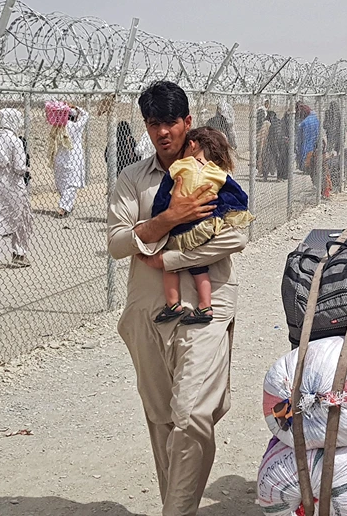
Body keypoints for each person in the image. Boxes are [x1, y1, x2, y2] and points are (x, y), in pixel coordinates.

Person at [107, 80, 249, 516]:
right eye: (154, 124)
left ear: (187, 122)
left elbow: (236, 233)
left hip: (206, 310)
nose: (162, 132)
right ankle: (179, 506)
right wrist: (169, 217)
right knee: (163, 418)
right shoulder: (133, 179)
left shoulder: (210, 169)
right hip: (150, 312)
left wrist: (166, 256)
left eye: (170, 122)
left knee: (191, 415)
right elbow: (116, 242)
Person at [151, 126, 254, 326]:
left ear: (192, 144)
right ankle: (205, 306)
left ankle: (173, 304)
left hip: (182, 229)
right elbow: (239, 196)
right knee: (200, 266)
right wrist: (219, 211)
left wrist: (162, 215)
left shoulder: (180, 166)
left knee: (169, 265)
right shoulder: (217, 172)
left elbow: (162, 197)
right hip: (206, 228)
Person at [0, 108, 33, 273]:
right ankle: (19, 254)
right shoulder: (15, 140)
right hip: (12, 184)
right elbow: (18, 167)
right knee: (21, 217)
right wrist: (26, 170)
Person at [51, 103, 89, 216]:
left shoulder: (58, 127)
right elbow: (86, 115)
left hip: (60, 158)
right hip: (73, 158)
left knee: (62, 183)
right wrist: (76, 107)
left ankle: (67, 205)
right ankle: (64, 207)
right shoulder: (76, 126)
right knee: (71, 184)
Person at [295, 103, 320, 176]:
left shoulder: (304, 122)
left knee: (305, 154)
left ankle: (305, 167)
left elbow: (300, 138)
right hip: (314, 142)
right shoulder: (315, 118)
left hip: (306, 143)